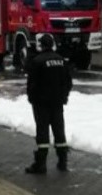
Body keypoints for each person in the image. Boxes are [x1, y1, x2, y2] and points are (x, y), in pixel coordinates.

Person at [25, 33, 72, 174]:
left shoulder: (37, 61)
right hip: (57, 103)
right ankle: (62, 162)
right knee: (59, 131)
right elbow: (68, 82)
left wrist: (31, 98)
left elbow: (32, 84)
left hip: (41, 104)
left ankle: (41, 164)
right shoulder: (61, 60)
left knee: (42, 132)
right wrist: (63, 96)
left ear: (41, 45)